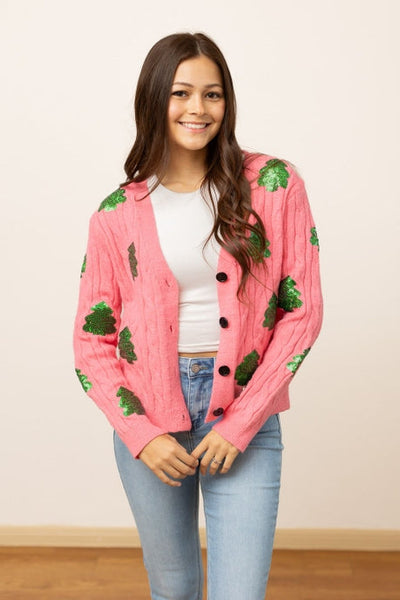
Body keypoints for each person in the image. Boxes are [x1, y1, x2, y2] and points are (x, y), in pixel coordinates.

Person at [73, 32, 323, 600]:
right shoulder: (117, 213)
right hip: (151, 416)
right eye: (181, 92)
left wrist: (241, 422)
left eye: (213, 94)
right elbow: (91, 343)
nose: (198, 108)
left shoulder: (273, 184)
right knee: (175, 588)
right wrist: (141, 434)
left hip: (244, 411)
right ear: (154, 98)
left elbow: (302, 311)